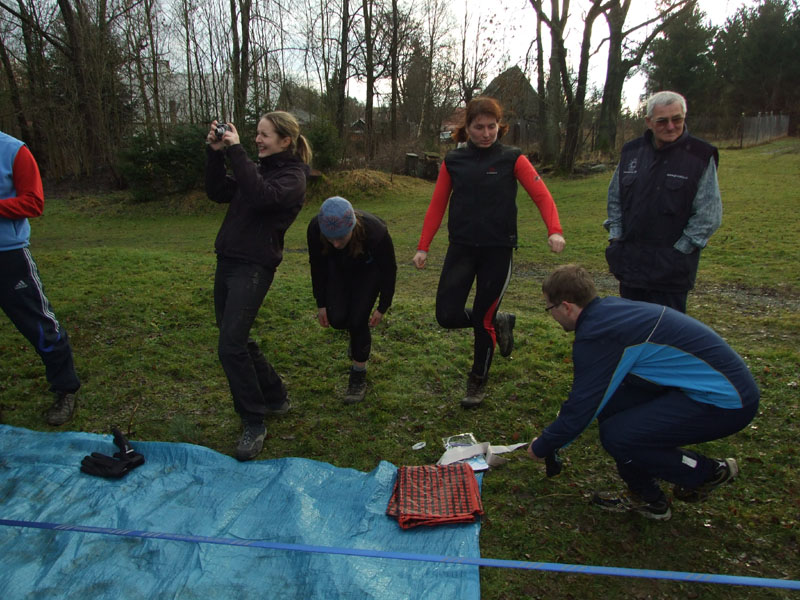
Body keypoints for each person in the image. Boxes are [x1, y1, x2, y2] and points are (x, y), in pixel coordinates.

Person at [528, 265, 759, 521]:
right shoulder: (610, 311)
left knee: (618, 436)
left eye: (549, 308)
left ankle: (707, 472)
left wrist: (543, 446)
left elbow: (583, 406)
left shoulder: (599, 333)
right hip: (706, 387)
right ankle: (646, 496)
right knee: (613, 409)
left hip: (727, 402)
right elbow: (600, 397)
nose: (551, 315)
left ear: (567, 306)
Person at [412, 96, 565, 408]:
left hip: (497, 250)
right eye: (478, 127)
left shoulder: (512, 158)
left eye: (491, 126)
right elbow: (437, 204)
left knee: (482, 319)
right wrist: (423, 247)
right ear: (466, 128)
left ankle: (477, 380)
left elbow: (541, 194)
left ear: (500, 127)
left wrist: (554, 229)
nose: (486, 133)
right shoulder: (453, 162)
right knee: (446, 315)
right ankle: (500, 321)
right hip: (462, 249)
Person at [205, 112, 311, 461]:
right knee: (236, 338)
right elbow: (219, 191)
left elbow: (262, 197)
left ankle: (254, 420)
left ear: (285, 141)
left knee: (229, 345)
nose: (257, 140)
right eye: (256, 134)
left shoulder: (293, 176)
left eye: (265, 135)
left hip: (253, 267)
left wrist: (237, 155)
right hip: (228, 259)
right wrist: (216, 153)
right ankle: (276, 395)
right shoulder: (259, 168)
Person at [604, 90, 722, 313]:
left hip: (671, 275)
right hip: (631, 267)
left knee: (667, 336)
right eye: (662, 121)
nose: (670, 126)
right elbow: (615, 199)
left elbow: (709, 215)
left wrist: (678, 254)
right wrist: (616, 239)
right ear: (649, 122)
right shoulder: (632, 152)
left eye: (677, 119)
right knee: (633, 329)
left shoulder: (700, 155)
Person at [0, 131, 81, 426]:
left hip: (8, 256)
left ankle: (65, 389)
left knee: (38, 324)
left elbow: (34, 203)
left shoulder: (13, 150)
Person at [307, 196, 397, 404]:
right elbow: (317, 266)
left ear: (353, 227)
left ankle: (358, 373)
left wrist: (383, 306)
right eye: (331, 239)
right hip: (338, 269)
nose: (336, 243)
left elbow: (389, 270)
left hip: (368, 271)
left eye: (341, 237)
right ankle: (355, 340)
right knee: (337, 319)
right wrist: (321, 303)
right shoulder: (315, 229)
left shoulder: (376, 233)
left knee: (358, 321)